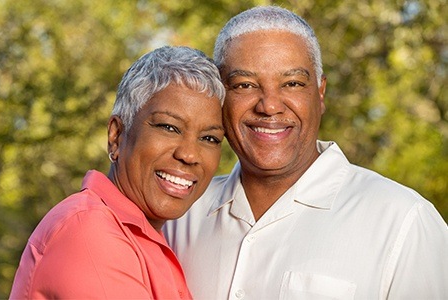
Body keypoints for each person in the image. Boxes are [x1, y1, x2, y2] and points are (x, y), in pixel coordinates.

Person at [164, 6, 448, 300]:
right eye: (245, 84)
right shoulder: (181, 214)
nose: (270, 106)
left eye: (292, 84)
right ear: (219, 95)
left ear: (320, 93)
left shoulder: (403, 220)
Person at [9, 45, 225, 299]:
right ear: (117, 135)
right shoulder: (89, 231)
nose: (189, 155)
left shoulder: (150, 238)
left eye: (209, 138)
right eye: (169, 127)